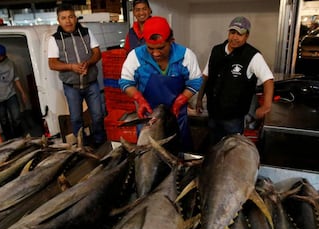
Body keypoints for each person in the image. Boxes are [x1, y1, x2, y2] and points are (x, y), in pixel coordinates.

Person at [119, 16, 203, 151]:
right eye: (150, 48)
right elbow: (126, 82)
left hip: (176, 115)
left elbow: (195, 81)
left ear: (171, 41)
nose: (156, 53)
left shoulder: (186, 56)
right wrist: (139, 99)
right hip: (149, 117)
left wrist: (181, 100)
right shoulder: (135, 56)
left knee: (180, 154)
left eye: (161, 47)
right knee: (148, 156)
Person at [196, 16, 274, 145]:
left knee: (232, 150)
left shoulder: (252, 56)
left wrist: (266, 106)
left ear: (247, 36)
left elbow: (268, 79)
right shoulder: (216, 51)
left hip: (234, 118)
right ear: (228, 32)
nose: (235, 37)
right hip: (213, 113)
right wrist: (199, 100)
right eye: (232, 32)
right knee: (214, 147)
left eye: (240, 34)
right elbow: (206, 76)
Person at [48, 3, 107, 148]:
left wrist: (88, 63)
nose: (68, 21)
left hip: (91, 83)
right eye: (63, 18)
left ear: (75, 18)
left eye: (70, 17)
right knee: (75, 119)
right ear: (58, 20)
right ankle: (82, 144)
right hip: (71, 86)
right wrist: (71, 67)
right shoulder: (54, 39)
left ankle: (100, 141)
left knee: (98, 115)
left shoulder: (87, 32)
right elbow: (52, 64)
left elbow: (97, 53)